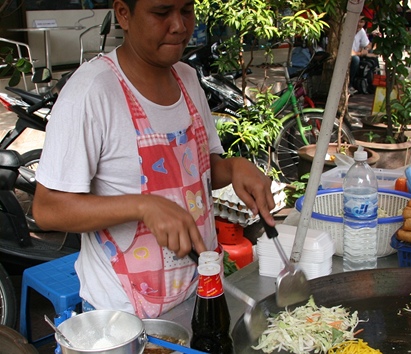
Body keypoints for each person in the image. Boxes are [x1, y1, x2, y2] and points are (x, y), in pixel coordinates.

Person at [32, 0, 276, 319]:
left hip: (198, 290)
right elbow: (47, 209)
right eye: (162, 13)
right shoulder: (92, 91)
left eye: (186, 10)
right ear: (124, 15)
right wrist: (144, 206)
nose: (178, 25)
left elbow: (197, 170)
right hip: (122, 311)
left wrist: (232, 167)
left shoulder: (188, 80)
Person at [350, 16, 372, 94]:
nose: (360, 24)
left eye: (362, 22)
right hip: (348, 57)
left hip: (357, 54)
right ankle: (350, 84)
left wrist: (365, 50)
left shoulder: (361, 31)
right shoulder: (347, 30)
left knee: (372, 57)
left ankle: (370, 85)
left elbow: (368, 44)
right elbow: (349, 53)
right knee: (356, 59)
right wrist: (360, 53)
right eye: (359, 21)